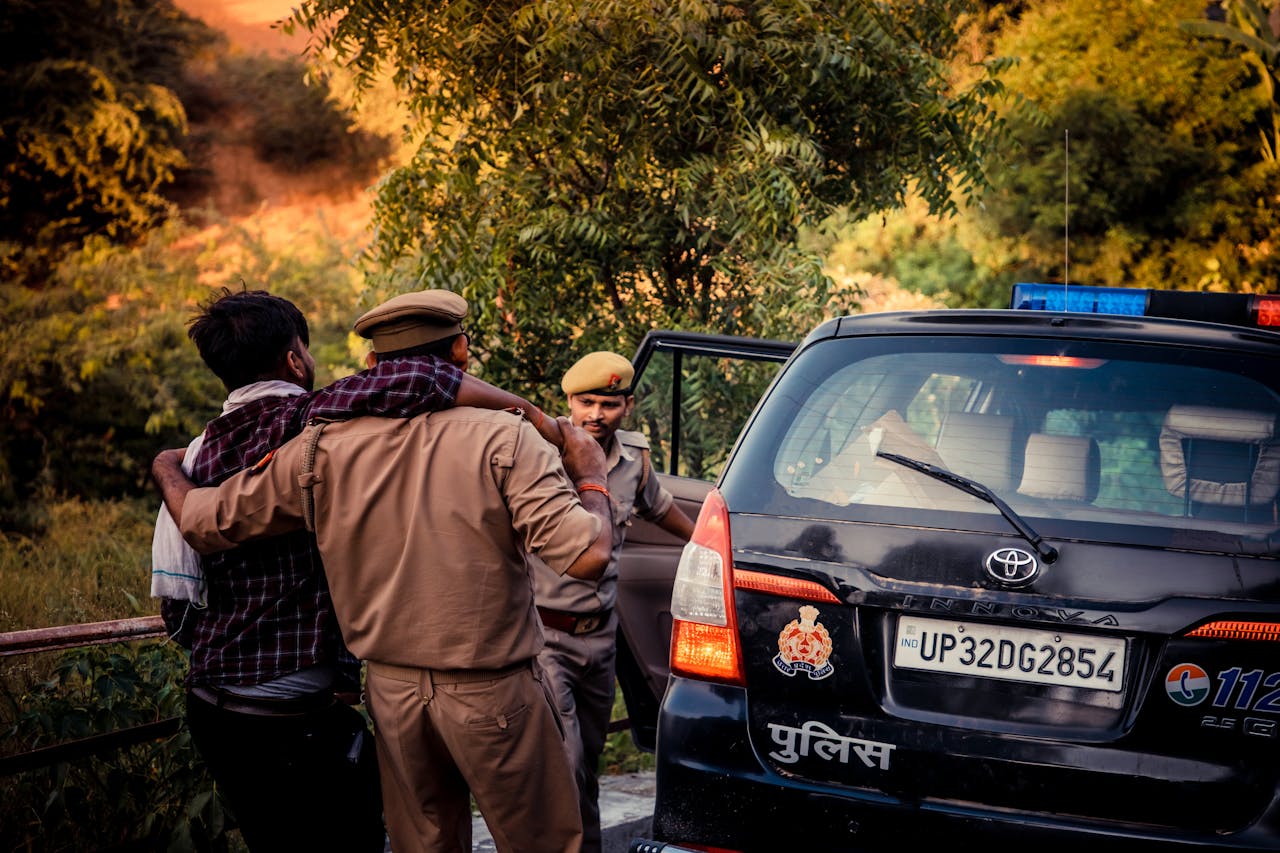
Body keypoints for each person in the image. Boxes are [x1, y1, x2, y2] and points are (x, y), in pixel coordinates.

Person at [152, 290, 613, 853]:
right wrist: (591, 477)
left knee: (424, 845)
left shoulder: (320, 447)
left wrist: (167, 465)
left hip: (391, 697)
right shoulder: (506, 436)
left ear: (372, 363)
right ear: (461, 351)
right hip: (493, 693)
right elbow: (586, 558)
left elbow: (203, 520)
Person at [529, 350, 695, 853]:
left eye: (609, 403)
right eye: (586, 402)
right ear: (568, 401)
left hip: (600, 639)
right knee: (566, 761)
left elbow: (662, 510)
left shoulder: (633, 460)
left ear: (628, 405)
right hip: (543, 637)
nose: (595, 415)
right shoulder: (534, 454)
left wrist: (710, 549)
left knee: (590, 764)